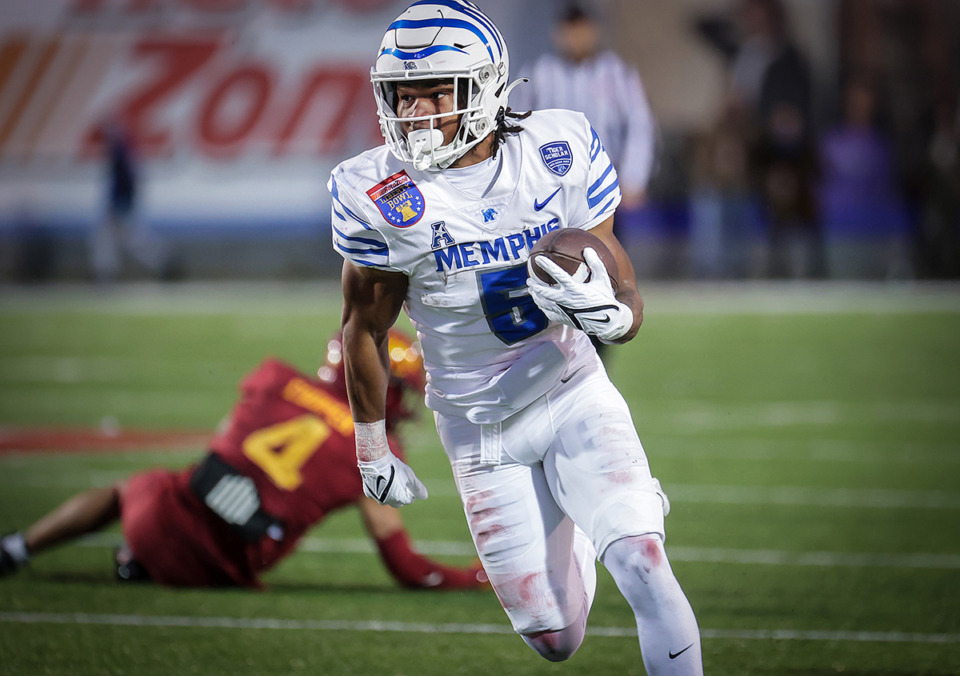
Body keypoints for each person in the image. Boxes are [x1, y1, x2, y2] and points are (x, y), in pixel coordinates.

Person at [329, 2, 702, 673]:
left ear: (485, 85)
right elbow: (365, 324)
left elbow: (617, 273)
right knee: (554, 638)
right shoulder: (377, 189)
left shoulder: (554, 149)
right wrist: (370, 446)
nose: (414, 115)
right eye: (401, 97)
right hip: (478, 428)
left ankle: (613, 514)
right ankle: (585, 525)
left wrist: (618, 317)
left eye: (434, 93)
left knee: (643, 559)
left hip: (571, 390)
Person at [0, 329, 487, 591]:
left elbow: (225, 448)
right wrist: (471, 577)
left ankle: (19, 547)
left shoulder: (277, 379)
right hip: (222, 566)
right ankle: (146, 563)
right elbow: (403, 565)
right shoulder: (375, 450)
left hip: (158, 517)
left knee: (133, 488)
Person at [90, 116, 176, 282]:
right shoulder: (122, 151)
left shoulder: (120, 152)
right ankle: (105, 273)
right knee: (111, 240)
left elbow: (128, 181)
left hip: (120, 204)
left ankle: (164, 261)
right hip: (120, 203)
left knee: (127, 241)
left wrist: (124, 202)